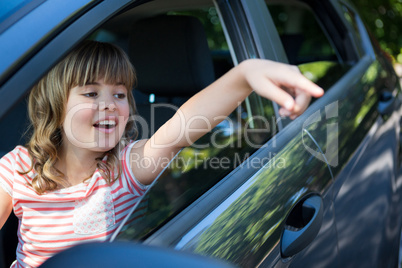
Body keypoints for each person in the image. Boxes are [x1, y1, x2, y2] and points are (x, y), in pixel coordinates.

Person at [0, 40, 323, 267]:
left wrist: (244, 74)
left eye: (120, 93)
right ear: (57, 104)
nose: (109, 104)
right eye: (90, 93)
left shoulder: (126, 167)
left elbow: (181, 127)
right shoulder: (18, 167)